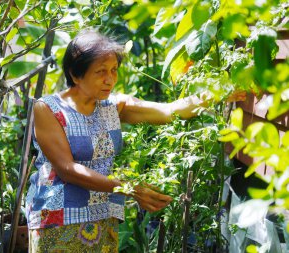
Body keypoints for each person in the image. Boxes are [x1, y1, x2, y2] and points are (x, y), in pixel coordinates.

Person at [25, 30, 244, 252]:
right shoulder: (48, 108)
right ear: (75, 74)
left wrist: (219, 92)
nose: (109, 79)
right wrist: (129, 188)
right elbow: (67, 170)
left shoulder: (113, 105)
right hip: (58, 217)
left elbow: (170, 111)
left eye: (113, 70)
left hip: (103, 214)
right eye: (100, 72)